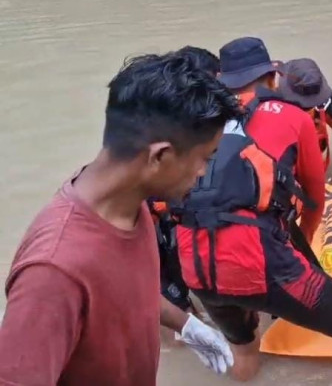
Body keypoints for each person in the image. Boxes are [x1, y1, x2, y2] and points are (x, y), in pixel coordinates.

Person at [0, 51, 240, 385]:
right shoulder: (54, 271)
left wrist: (185, 324)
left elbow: (119, 291)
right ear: (159, 157)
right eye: (204, 158)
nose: (202, 173)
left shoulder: (129, 202)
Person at [173, 37, 332, 385]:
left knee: (244, 349)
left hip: (195, 264)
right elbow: (314, 197)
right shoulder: (293, 115)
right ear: (272, 77)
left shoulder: (192, 119)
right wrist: (304, 246)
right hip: (260, 260)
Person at [152, 46, 222, 314]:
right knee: (173, 302)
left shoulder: (164, 114)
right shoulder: (172, 128)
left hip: (166, 219)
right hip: (155, 225)